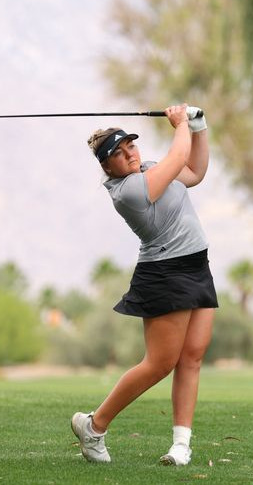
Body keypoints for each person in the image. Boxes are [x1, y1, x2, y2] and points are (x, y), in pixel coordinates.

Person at [71, 103, 217, 466]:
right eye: (118, 155)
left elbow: (195, 170)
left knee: (192, 357)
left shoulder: (149, 168)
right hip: (165, 274)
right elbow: (179, 152)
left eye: (130, 146)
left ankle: (181, 445)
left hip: (196, 265)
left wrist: (198, 126)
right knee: (159, 363)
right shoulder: (130, 191)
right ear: (108, 168)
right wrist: (181, 122)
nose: (129, 154)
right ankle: (95, 425)